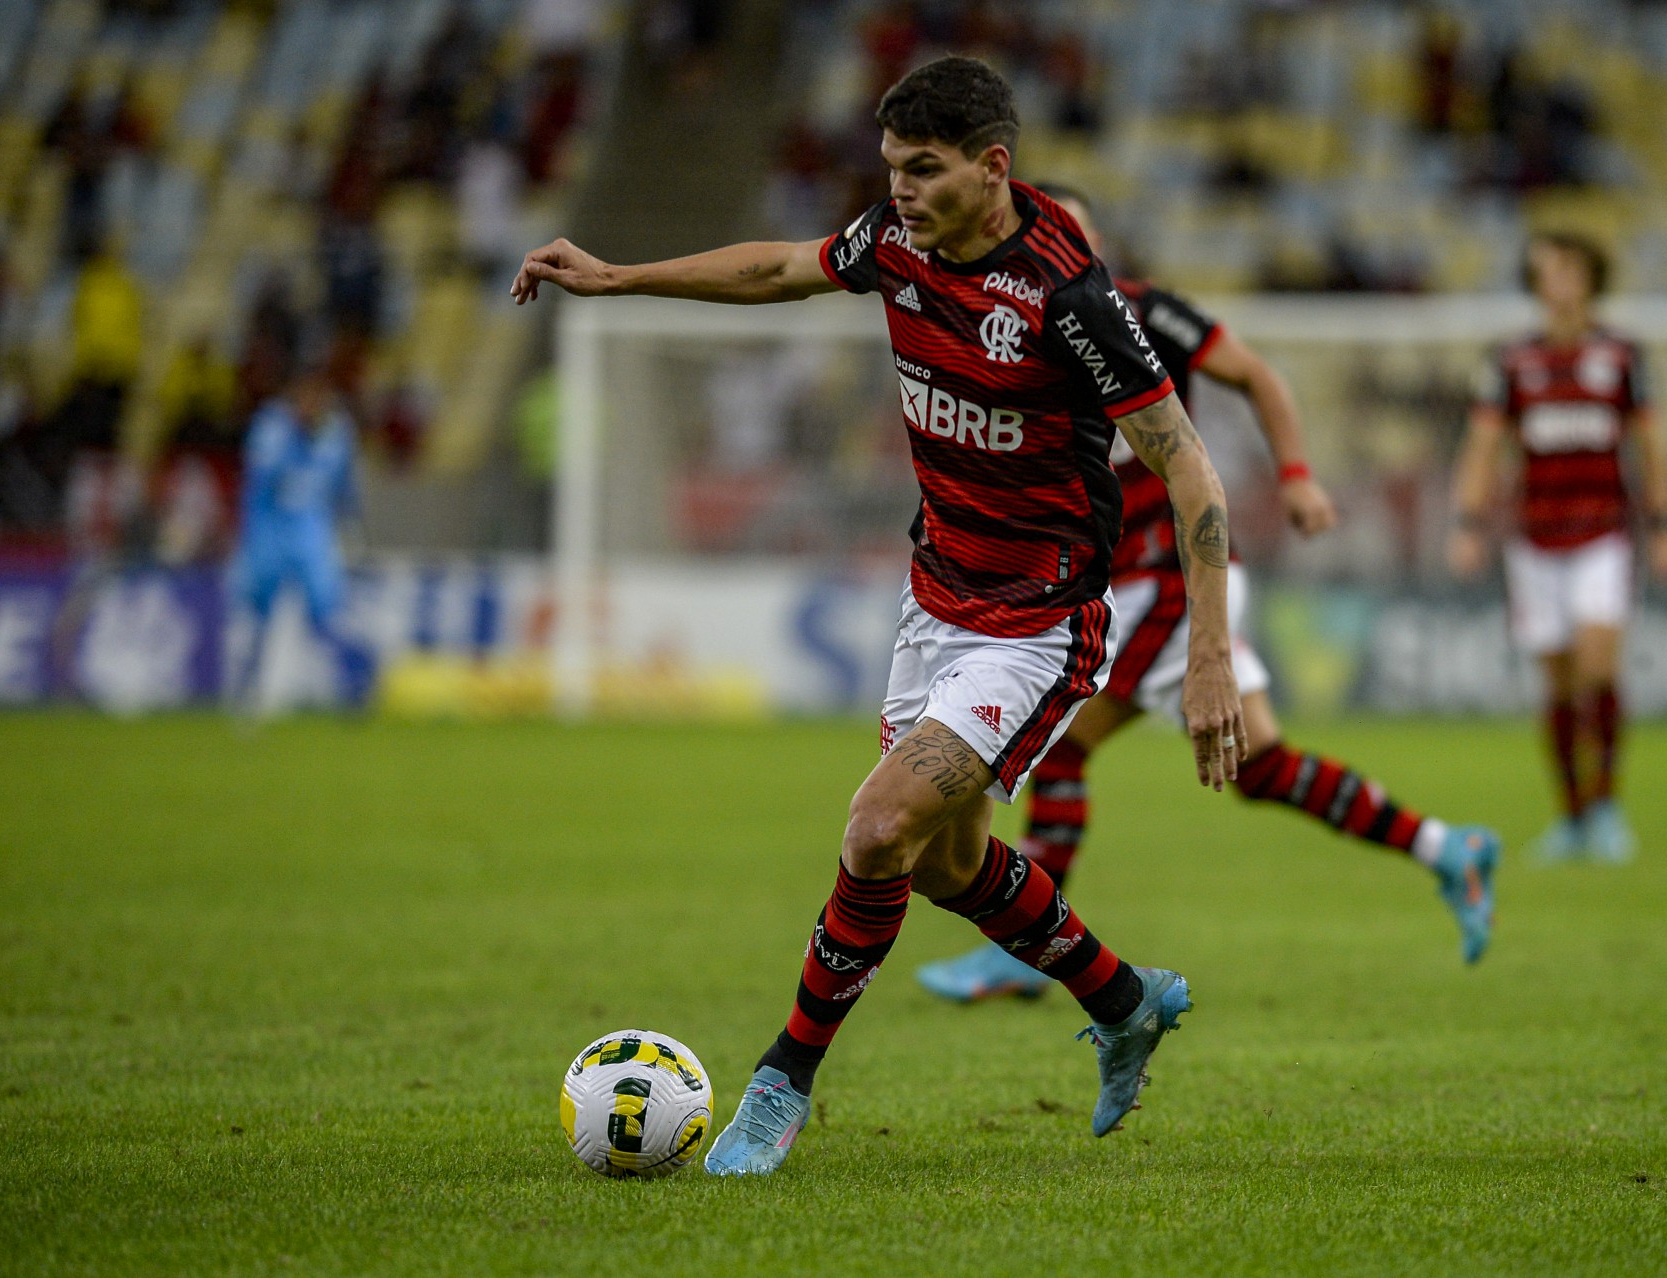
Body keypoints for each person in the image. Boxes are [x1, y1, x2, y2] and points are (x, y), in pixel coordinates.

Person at [513, 56, 1244, 1176]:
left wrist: (1209, 666)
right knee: (950, 865)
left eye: (923, 169)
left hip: (1040, 621)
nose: (896, 189)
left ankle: (779, 1083)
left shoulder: (1068, 297)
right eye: (890, 167)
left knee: (875, 831)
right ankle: (1124, 997)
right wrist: (618, 279)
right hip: (935, 596)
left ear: (993, 168)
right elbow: (777, 267)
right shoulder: (899, 243)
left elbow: (1192, 474)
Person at [916, 188, 1501, 1006]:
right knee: (1259, 763)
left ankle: (1023, 953)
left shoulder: (1147, 314)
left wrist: (1295, 475)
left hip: (1176, 573)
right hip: (1125, 577)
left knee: (1068, 741)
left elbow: (1257, 375)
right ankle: (1446, 847)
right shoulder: (1007, 325)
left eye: (1073, 232)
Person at [1448, 232, 1667, 862]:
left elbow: (1653, 444)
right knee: (1555, 682)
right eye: (1547, 270)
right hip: (1534, 538)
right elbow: (1483, 444)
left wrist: (1665, 524)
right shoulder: (1510, 361)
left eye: (1569, 268)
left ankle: (1607, 808)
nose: (1558, 280)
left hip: (1603, 532)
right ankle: (1572, 816)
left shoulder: (1624, 355)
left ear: (1591, 276)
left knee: (1598, 665)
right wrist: (1467, 524)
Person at [230, 366, 373, 715]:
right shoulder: (271, 426)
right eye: (305, 397)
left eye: (318, 398)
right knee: (258, 610)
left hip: (313, 529)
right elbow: (259, 479)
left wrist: (351, 524)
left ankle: (345, 690)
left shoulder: (337, 431)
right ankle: (247, 690)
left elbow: (345, 483)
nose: (311, 406)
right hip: (269, 528)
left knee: (326, 607)